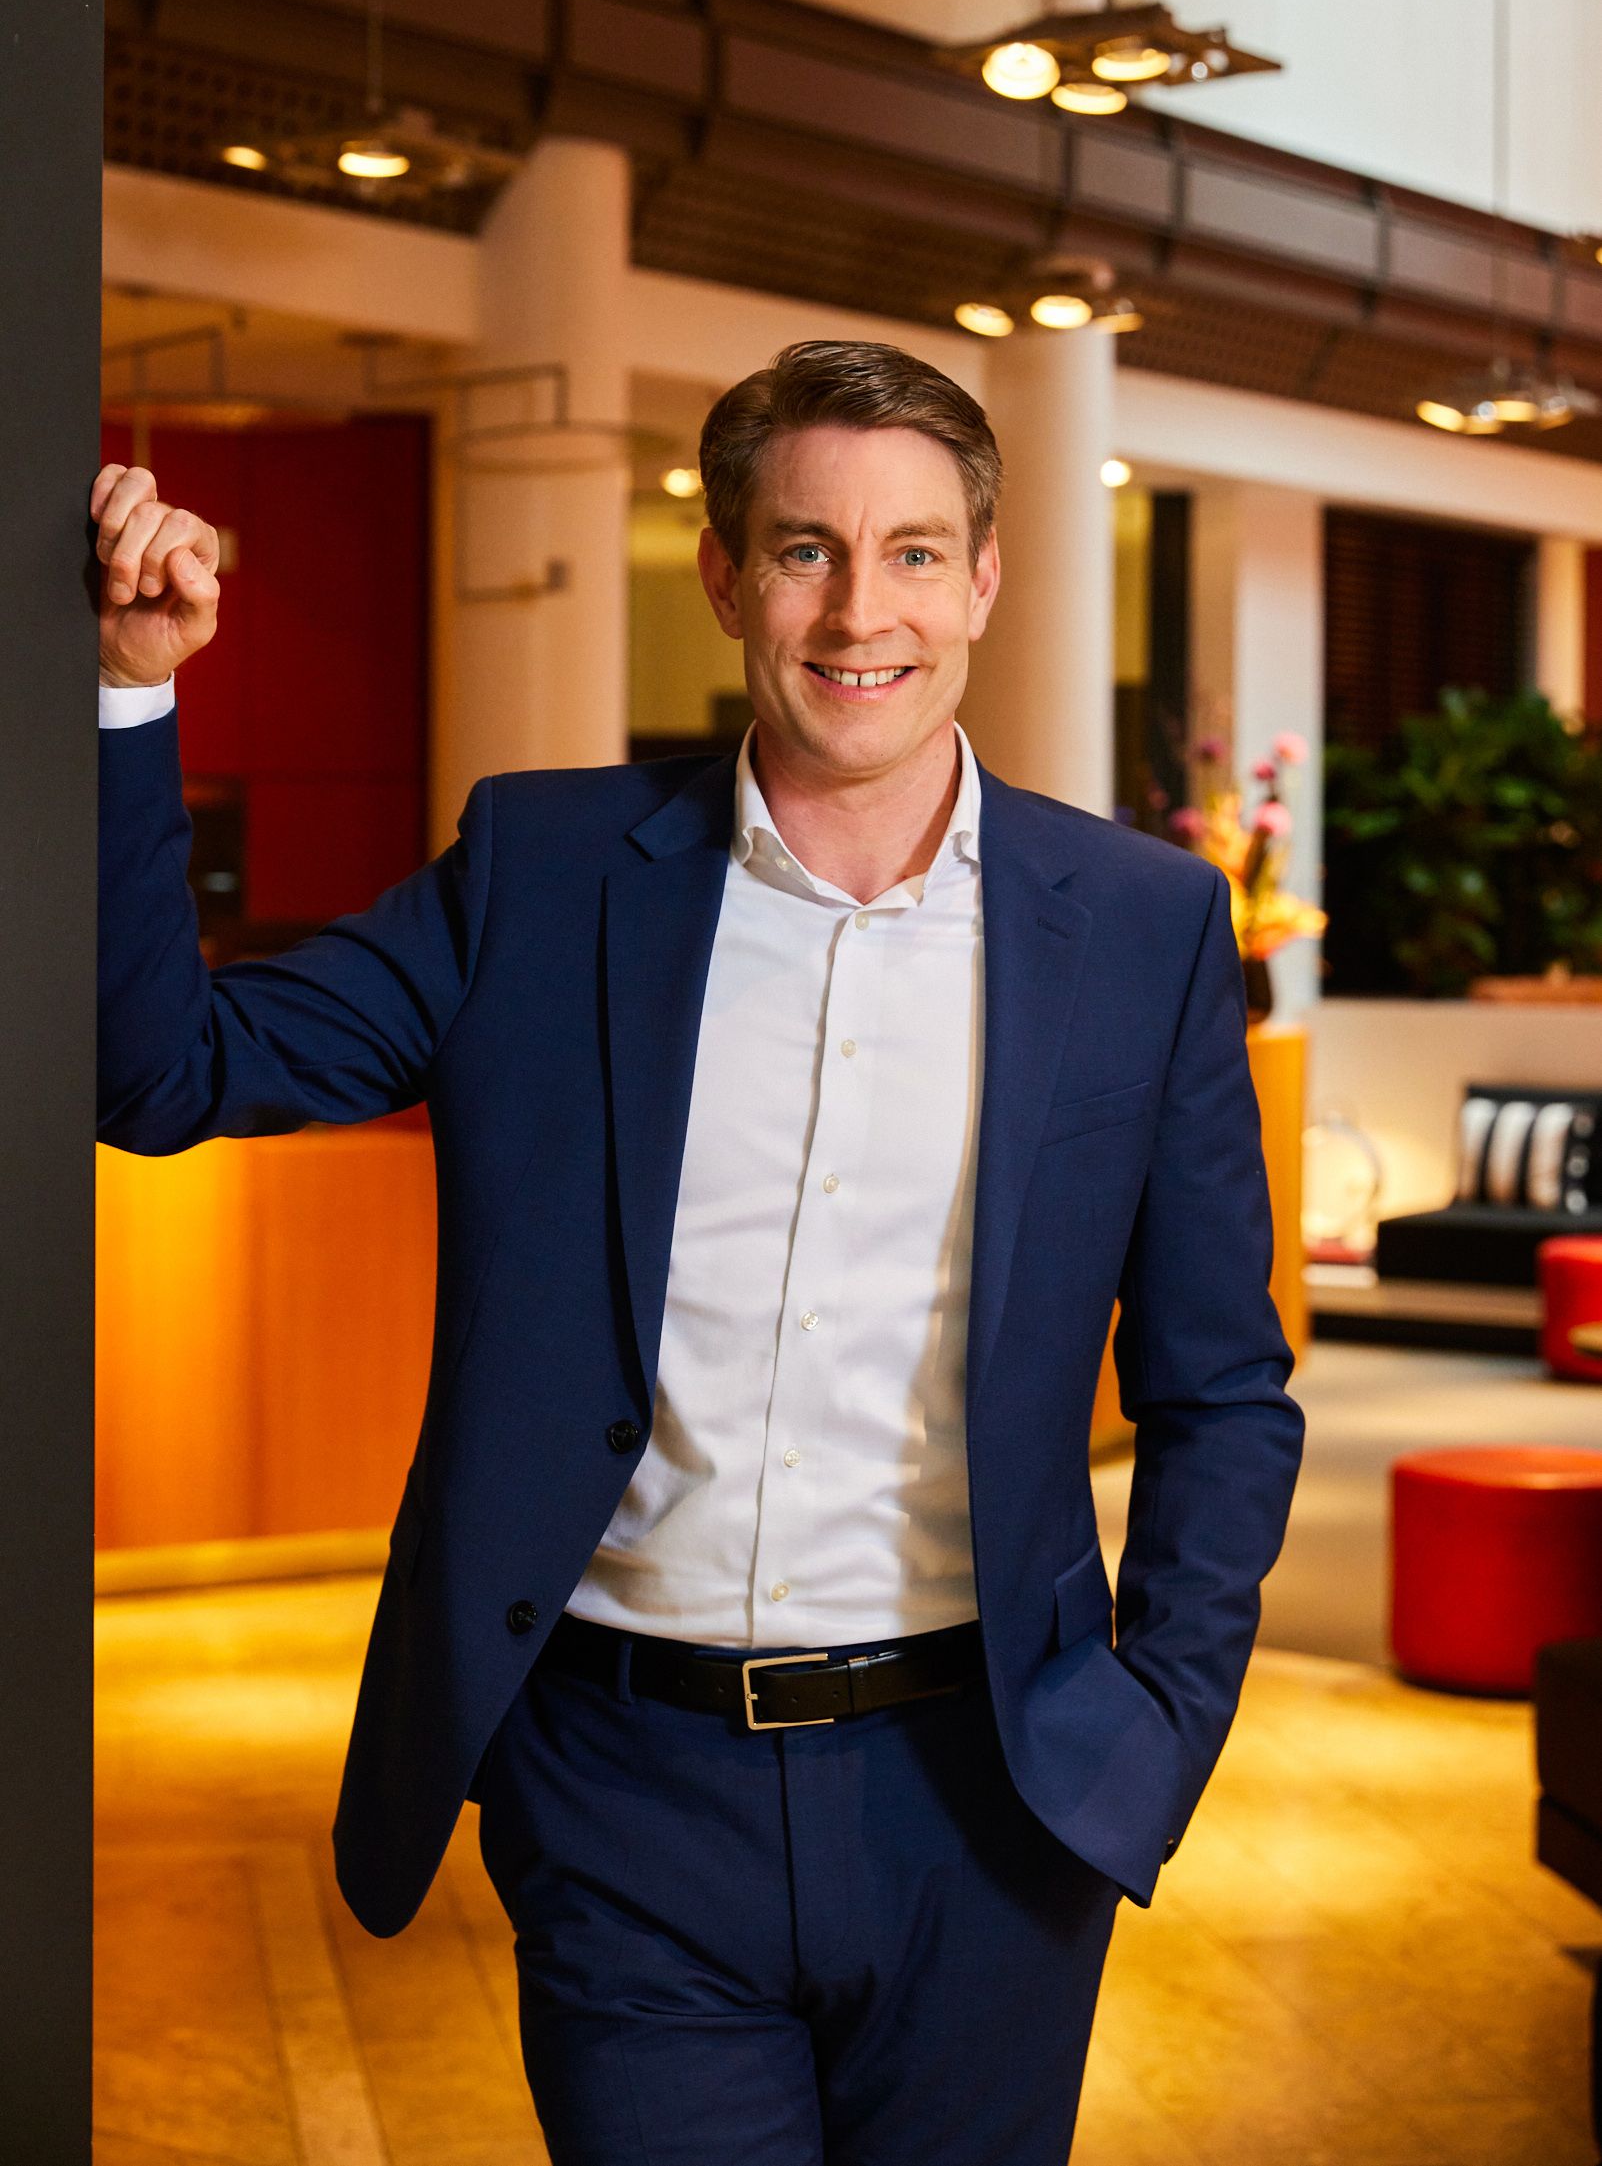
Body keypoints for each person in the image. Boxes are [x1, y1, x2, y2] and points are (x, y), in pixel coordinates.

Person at [94, 338, 1304, 2165]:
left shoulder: (1136, 925)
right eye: (806, 547)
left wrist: (1156, 1720)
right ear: (728, 575)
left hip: (992, 1796)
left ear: (982, 579)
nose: (857, 608)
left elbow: (1221, 1385)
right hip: (624, 1792)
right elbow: (162, 1069)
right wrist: (126, 697)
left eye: (910, 551)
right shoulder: (541, 869)